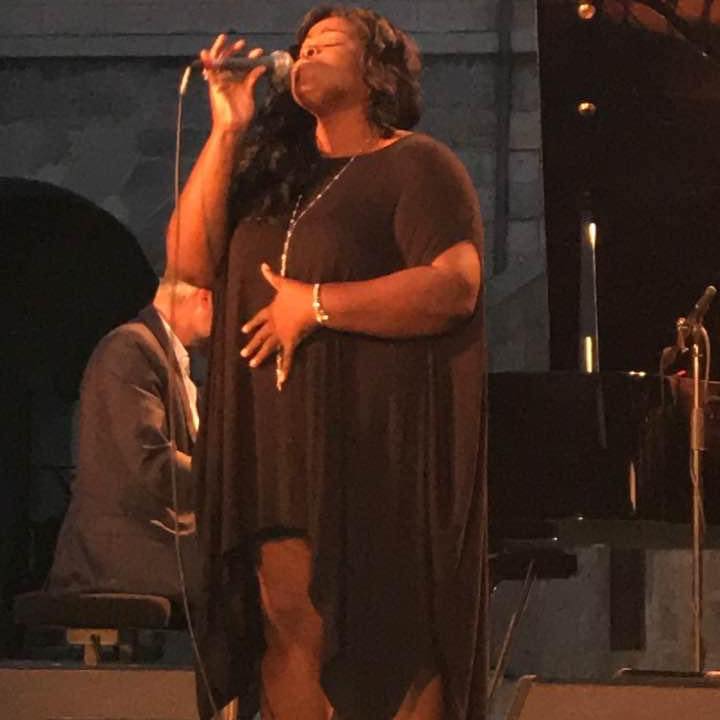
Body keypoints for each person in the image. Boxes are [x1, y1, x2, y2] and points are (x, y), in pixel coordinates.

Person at [168, 6, 487, 720]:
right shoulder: (274, 177)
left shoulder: (418, 164)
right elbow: (189, 261)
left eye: (328, 44)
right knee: (287, 622)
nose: (306, 53)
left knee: (387, 637)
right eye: (302, 45)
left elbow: (454, 286)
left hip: (370, 443)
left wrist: (315, 305)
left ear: (377, 72)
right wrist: (227, 129)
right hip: (273, 439)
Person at [48, 277, 213, 604]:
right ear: (205, 297)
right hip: (119, 552)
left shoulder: (166, 355)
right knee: (250, 575)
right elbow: (152, 464)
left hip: (150, 537)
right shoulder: (130, 347)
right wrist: (230, 487)